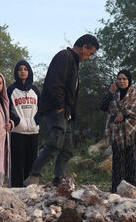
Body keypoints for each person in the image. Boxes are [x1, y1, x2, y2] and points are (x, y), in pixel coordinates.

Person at [23, 34, 100, 187]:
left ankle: (59, 181)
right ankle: (33, 175)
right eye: (91, 53)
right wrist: (59, 106)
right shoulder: (64, 57)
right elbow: (55, 83)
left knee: (68, 149)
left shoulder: (74, 62)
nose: (90, 58)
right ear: (84, 47)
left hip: (66, 113)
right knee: (56, 142)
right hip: (55, 109)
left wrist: (69, 111)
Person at [99, 69, 136, 195]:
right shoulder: (114, 94)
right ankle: (118, 192)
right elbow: (103, 107)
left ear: (129, 80)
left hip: (133, 131)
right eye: (119, 79)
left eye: (124, 79)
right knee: (119, 163)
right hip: (117, 133)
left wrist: (124, 114)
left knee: (133, 163)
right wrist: (110, 92)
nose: (121, 81)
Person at [7, 60, 40, 188]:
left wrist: (35, 121)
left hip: (33, 131)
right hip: (17, 132)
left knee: (31, 163)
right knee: (17, 163)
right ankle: (15, 189)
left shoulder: (35, 90)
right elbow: (7, 109)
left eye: (25, 69)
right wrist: (17, 121)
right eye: (20, 69)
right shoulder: (11, 89)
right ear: (16, 72)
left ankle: (30, 190)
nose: (23, 71)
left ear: (29, 72)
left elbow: (41, 108)